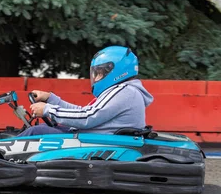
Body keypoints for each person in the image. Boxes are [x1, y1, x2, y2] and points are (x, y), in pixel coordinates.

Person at [18, 45, 154, 136]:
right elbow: (83, 113)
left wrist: (48, 109)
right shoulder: (126, 91)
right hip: (93, 138)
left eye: (100, 73)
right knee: (43, 129)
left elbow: (87, 118)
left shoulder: (125, 92)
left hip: (98, 143)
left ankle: (0, 160)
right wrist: (50, 99)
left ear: (116, 71)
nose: (97, 77)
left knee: (36, 132)